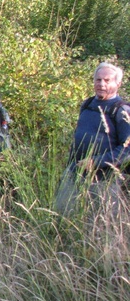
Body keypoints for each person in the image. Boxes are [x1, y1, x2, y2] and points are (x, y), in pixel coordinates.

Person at [55, 62, 130, 220]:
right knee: (61, 214)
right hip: (75, 171)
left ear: (118, 83)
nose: (101, 84)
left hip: (104, 178)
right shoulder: (88, 104)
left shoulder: (121, 111)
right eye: (98, 80)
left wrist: (96, 162)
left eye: (107, 80)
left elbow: (126, 149)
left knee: (100, 222)